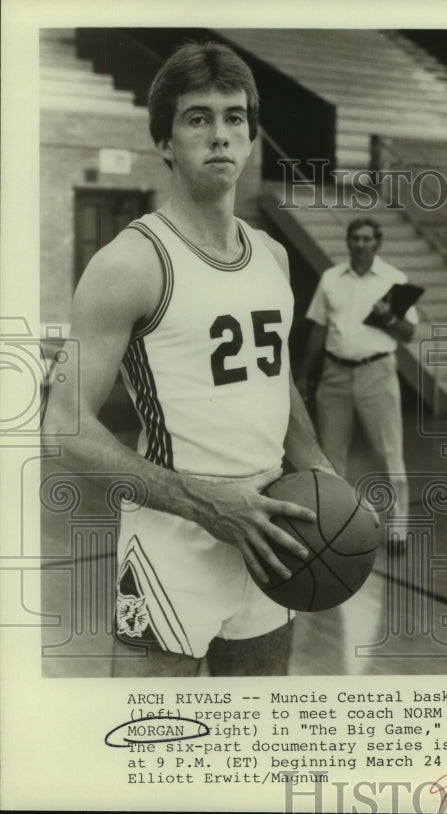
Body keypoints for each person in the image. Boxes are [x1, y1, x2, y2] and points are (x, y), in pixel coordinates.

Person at [42, 42, 357, 677]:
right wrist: (206, 505)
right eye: (198, 118)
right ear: (165, 142)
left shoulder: (271, 254)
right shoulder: (130, 263)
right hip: (172, 548)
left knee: (251, 759)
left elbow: (276, 384)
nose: (220, 135)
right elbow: (65, 430)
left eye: (235, 117)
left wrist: (323, 476)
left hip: (275, 537)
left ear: (251, 133)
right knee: (151, 760)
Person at [295, 218, 416, 549]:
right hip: (334, 375)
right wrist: (305, 373)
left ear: (376, 244)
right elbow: (319, 329)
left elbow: (409, 333)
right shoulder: (330, 279)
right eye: (355, 238)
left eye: (366, 239)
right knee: (330, 457)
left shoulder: (394, 280)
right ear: (347, 242)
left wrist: (389, 315)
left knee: (389, 452)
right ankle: (336, 526)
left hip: (377, 373)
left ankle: (398, 527)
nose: (360, 244)